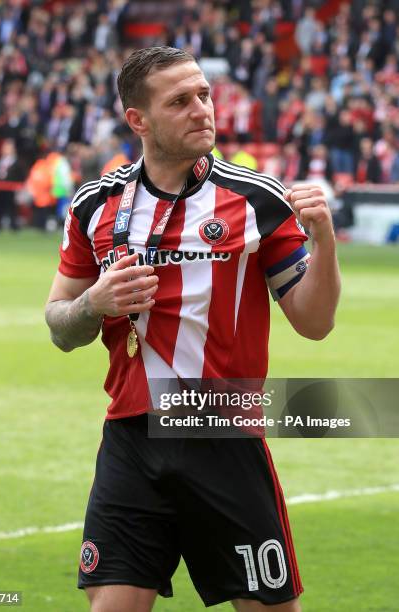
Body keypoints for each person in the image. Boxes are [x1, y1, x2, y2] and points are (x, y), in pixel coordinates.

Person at [45, 47, 340, 612]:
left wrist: (324, 242)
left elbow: (315, 321)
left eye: (204, 95)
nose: (202, 109)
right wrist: (93, 303)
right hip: (130, 440)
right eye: (180, 101)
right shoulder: (95, 206)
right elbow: (60, 325)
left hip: (222, 433)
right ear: (140, 120)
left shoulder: (257, 200)